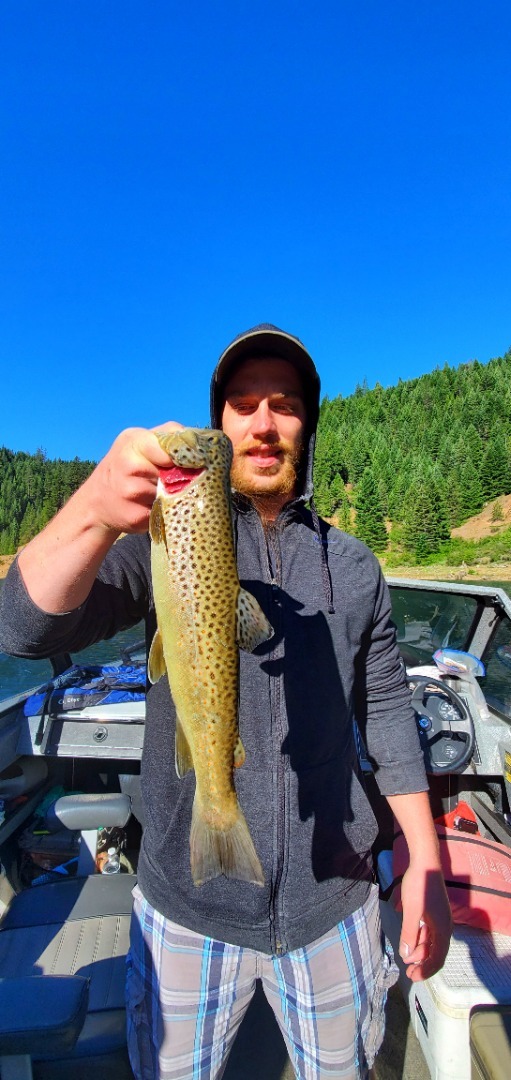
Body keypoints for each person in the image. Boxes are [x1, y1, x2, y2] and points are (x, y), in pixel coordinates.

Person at [0, 324, 452, 1079]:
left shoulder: (354, 565)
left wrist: (425, 870)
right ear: (219, 424)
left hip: (332, 906)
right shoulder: (161, 534)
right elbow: (21, 627)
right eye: (242, 405)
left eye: (283, 404)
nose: (263, 422)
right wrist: (95, 507)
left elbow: (385, 715)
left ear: (307, 423)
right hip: (185, 909)